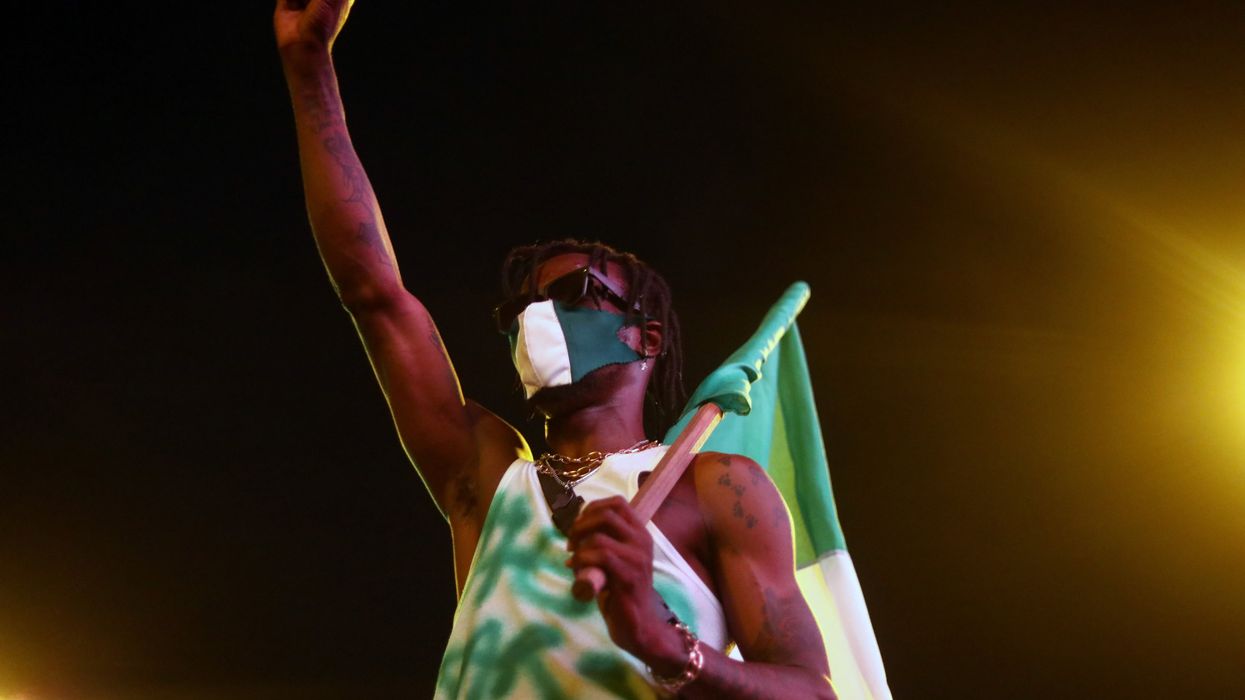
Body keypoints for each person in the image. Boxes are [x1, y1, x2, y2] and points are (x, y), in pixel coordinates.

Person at [274, 1, 836, 697]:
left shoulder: (714, 486)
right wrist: (309, 69)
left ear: (644, 336)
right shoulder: (483, 471)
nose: (539, 317)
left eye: (574, 294)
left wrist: (667, 645)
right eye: (521, 308)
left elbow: (812, 690)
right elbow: (374, 294)